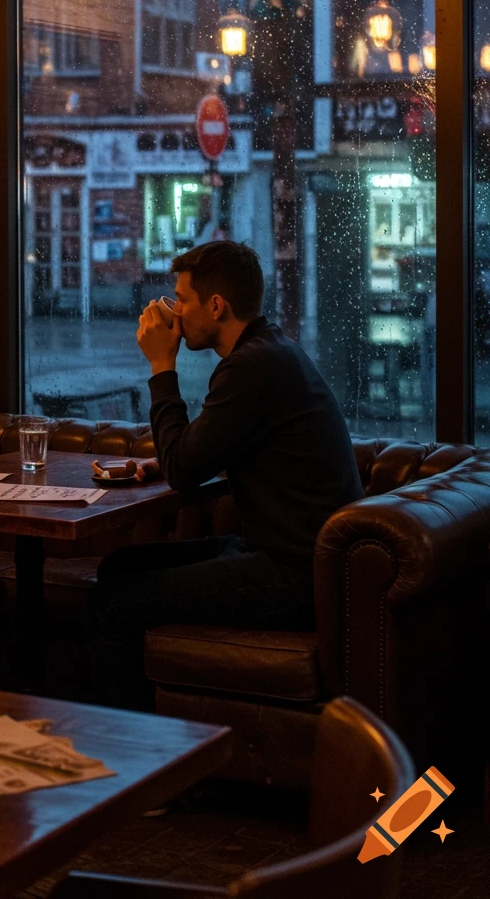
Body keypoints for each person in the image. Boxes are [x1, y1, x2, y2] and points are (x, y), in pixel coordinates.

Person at [88, 239, 362, 711]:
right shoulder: (269, 350)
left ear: (216, 306)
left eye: (184, 299)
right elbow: (206, 448)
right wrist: (161, 459)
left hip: (296, 573)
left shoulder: (252, 366)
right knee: (119, 567)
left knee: (117, 601)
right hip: (290, 557)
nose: (175, 313)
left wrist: (160, 364)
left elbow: (183, 471)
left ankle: (133, 752)